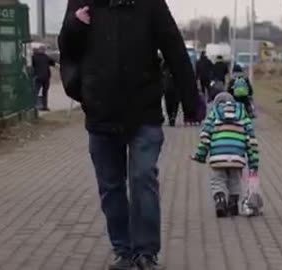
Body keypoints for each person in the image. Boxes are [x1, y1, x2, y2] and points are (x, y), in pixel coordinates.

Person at [58, 0, 197, 269]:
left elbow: (174, 48)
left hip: (143, 111)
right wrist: (75, 27)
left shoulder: (150, 5)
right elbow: (67, 48)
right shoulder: (83, 2)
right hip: (100, 110)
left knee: (143, 176)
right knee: (111, 187)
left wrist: (191, 102)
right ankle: (123, 251)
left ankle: (145, 252)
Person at [191, 92, 259, 218]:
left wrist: (201, 155)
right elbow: (251, 139)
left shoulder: (213, 115)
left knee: (218, 180)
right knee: (235, 180)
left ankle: (220, 201)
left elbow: (205, 136)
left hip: (218, 156)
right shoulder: (243, 115)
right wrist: (253, 161)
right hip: (237, 156)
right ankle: (233, 204)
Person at [32, 45, 55, 111]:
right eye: (43, 49)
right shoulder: (46, 57)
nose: (43, 50)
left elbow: (52, 63)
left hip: (39, 77)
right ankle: (43, 106)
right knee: (43, 92)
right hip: (44, 77)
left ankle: (37, 106)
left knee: (36, 92)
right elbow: (53, 63)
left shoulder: (34, 57)